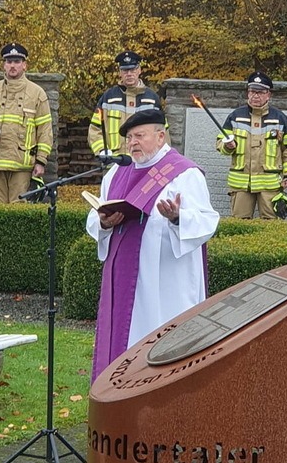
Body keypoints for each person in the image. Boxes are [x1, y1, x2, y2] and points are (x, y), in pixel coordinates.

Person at [86, 108, 219, 381]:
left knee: (162, 337)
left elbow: (207, 221)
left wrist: (177, 217)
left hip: (167, 283)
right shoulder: (116, 172)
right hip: (124, 280)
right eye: (130, 138)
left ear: (160, 137)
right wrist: (103, 223)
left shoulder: (184, 173)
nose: (133, 143)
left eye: (140, 136)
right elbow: (95, 212)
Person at [216, 71, 287, 219]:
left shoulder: (280, 119)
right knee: (239, 226)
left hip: (270, 186)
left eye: (260, 92)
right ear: (248, 93)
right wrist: (226, 146)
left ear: (268, 94)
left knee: (270, 228)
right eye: (252, 91)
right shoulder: (235, 117)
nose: (255, 95)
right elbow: (220, 143)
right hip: (241, 185)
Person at [0, 43, 53, 203]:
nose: (13, 65)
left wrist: (40, 161)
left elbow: (45, 131)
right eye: (9, 61)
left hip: (22, 166)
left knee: (19, 213)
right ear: (4, 65)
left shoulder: (37, 94)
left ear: (24, 65)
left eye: (17, 61)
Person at [88, 51, 166, 157]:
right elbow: (95, 129)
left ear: (139, 70)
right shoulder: (108, 98)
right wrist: (102, 150)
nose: (129, 74)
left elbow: (162, 132)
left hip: (144, 163)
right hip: (114, 163)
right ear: (120, 72)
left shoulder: (152, 99)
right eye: (125, 70)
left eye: (132, 69)